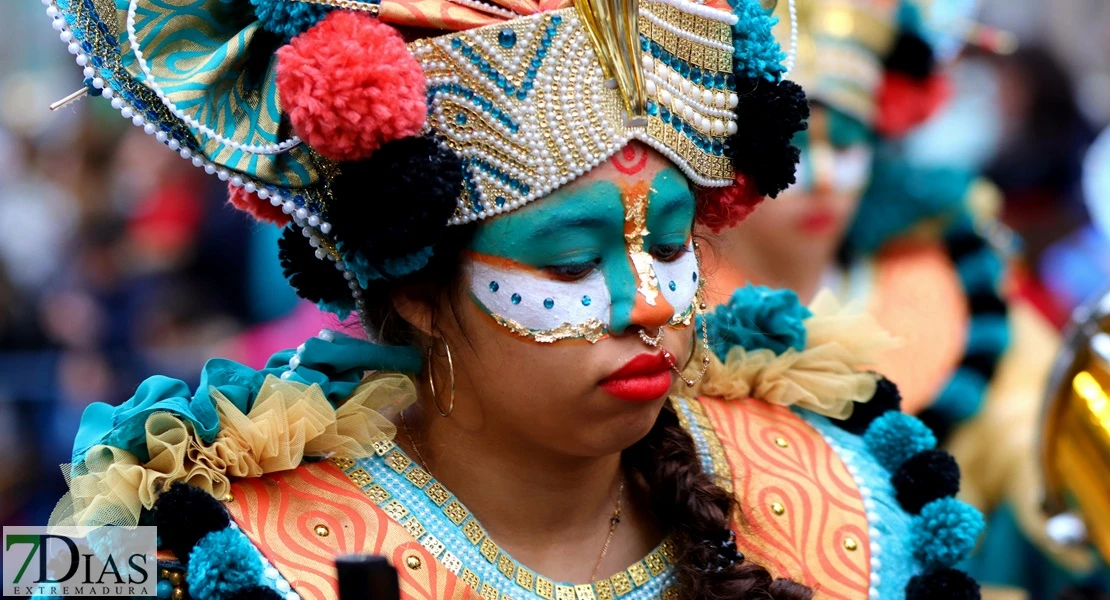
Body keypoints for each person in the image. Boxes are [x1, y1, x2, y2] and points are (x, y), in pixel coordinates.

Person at [43, 0, 986, 598]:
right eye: (572, 266)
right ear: (413, 290)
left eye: (666, 246)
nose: (651, 305)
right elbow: (39, 572)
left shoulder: (838, 485)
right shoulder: (182, 532)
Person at [698, 1, 1101, 598]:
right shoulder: (670, 302)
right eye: (799, 145)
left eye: (851, 142)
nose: (830, 176)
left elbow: (1029, 423)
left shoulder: (947, 280)